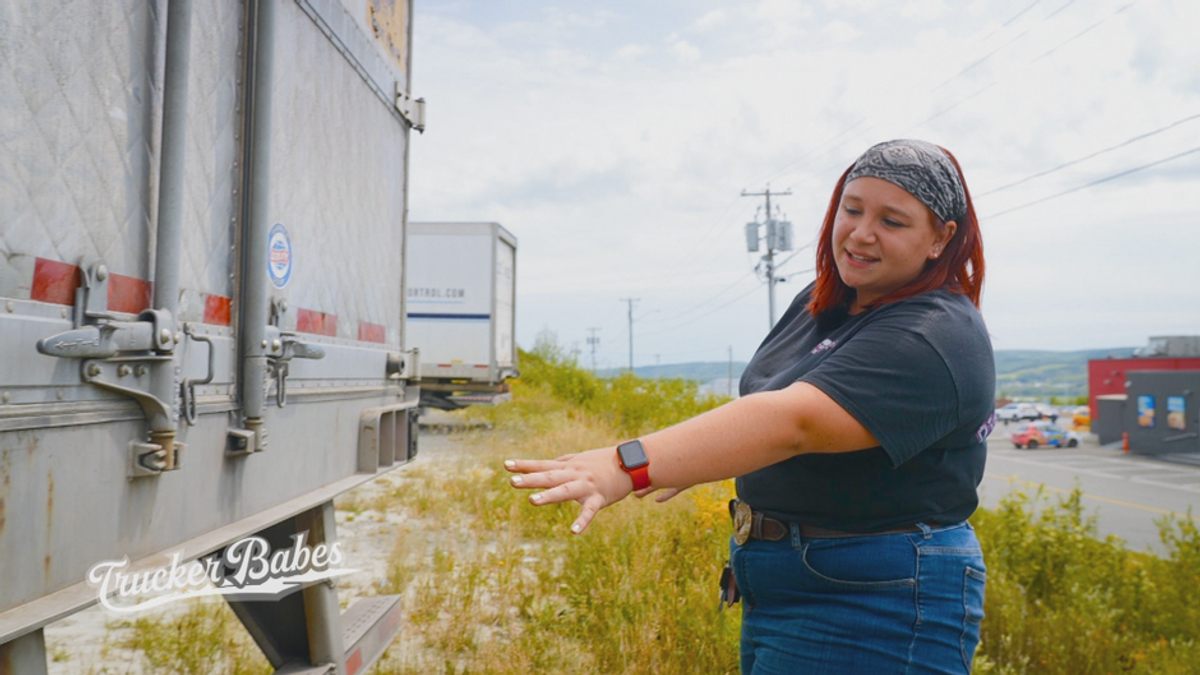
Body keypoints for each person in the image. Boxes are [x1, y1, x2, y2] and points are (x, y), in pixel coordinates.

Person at [505, 139, 995, 674]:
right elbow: (770, 404)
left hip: (877, 596)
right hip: (788, 584)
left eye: (892, 221)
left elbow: (794, 421)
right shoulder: (826, 303)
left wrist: (628, 465)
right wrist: (703, 457)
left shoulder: (932, 334)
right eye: (851, 210)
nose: (860, 233)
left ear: (940, 238)